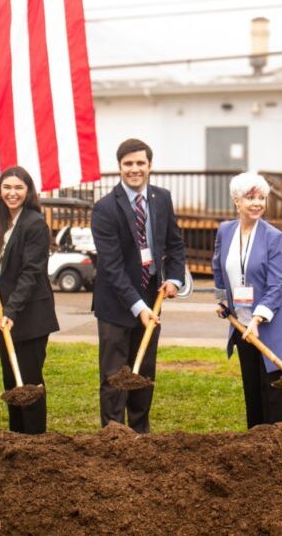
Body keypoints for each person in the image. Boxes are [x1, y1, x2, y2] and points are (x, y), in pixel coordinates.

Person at [91, 138, 186, 433]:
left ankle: (141, 435)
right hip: (116, 305)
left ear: (150, 165)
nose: (135, 169)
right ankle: (114, 435)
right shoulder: (105, 208)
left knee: (144, 371)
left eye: (140, 163)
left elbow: (175, 244)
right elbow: (112, 266)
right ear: (119, 167)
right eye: (128, 164)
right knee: (115, 376)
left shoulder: (162, 198)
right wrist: (138, 307)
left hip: (151, 298)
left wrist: (174, 278)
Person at [213, 172, 282, 428]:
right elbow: (218, 267)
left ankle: (277, 450)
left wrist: (258, 319)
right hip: (241, 324)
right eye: (251, 197)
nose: (257, 203)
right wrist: (222, 300)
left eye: (262, 198)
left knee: (271, 392)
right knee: (252, 391)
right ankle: (255, 450)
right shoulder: (225, 231)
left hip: (268, 325)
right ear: (236, 200)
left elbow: (277, 285)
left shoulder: (273, 237)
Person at [0, 166, 59, 434]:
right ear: (0, 191)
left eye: (18, 188)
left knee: (29, 382)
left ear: (28, 191)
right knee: (12, 381)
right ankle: (15, 437)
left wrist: (11, 311)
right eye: (7, 188)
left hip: (30, 315)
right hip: (7, 316)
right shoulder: (2, 222)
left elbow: (30, 272)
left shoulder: (34, 223)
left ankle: (34, 440)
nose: (12, 193)